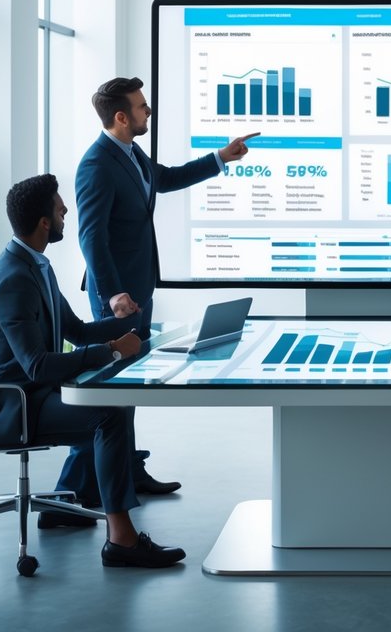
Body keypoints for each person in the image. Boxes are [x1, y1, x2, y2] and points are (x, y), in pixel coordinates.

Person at [0, 175, 187, 567]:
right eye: (58, 207)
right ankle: (122, 540)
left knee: (109, 405)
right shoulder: (13, 281)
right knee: (109, 413)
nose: (66, 211)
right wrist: (110, 350)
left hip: (33, 395)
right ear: (43, 222)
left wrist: (139, 329)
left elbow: (77, 331)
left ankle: (72, 510)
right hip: (14, 406)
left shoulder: (35, 265)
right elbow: (37, 366)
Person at [66, 76, 258, 504]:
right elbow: (91, 236)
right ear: (121, 116)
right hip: (116, 298)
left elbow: (167, 178)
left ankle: (128, 470)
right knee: (106, 390)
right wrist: (113, 293)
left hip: (137, 287)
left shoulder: (130, 153)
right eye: (141, 107)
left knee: (126, 384)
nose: (148, 111)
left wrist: (221, 157)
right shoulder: (97, 164)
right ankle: (73, 490)